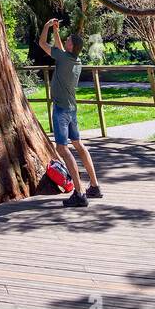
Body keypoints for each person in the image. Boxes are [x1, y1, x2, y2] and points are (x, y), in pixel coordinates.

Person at [38, 18, 101, 206]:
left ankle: (79, 192)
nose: (65, 41)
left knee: (62, 148)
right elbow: (62, 52)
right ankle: (95, 186)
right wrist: (56, 31)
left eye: (68, 41)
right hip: (72, 109)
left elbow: (42, 43)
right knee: (79, 145)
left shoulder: (64, 58)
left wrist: (47, 27)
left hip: (61, 110)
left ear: (72, 45)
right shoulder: (76, 60)